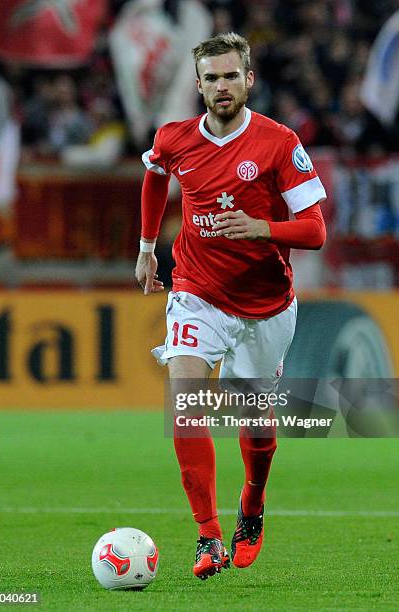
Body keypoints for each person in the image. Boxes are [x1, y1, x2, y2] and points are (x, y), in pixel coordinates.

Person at [135, 32, 326, 580]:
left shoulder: (278, 142)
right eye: (211, 78)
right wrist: (148, 247)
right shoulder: (174, 138)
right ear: (198, 86)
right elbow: (154, 177)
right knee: (186, 402)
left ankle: (253, 503)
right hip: (196, 290)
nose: (222, 86)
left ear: (249, 80)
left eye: (230, 76)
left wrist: (261, 228)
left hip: (266, 303)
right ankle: (208, 536)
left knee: (254, 423)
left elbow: (315, 231)